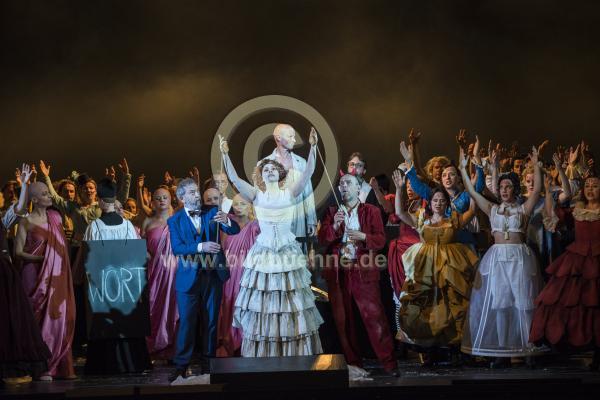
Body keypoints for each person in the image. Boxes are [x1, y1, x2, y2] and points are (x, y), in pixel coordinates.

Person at [220, 128, 324, 357]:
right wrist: (225, 154)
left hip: (287, 250)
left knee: (289, 298)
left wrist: (314, 147)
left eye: (273, 169)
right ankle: (266, 353)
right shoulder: (256, 194)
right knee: (266, 298)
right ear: (261, 175)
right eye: (265, 169)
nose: (269, 171)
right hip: (264, 251)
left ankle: (293, 351)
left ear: (280, 173)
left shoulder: (290, 193)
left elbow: (308, 172)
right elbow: (234, 179)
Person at [459, 147, 547, 367]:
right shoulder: (492, 209)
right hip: (497, 259)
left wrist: (536, 165)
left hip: (519, 258)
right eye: (501, 187)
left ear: (515, 188)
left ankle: (528, 348)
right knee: (500, 304)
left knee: (524, 303)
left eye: (508, 186)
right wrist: (463, 169)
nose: (504, 190)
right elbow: (473, 192)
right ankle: (502, 351)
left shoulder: (523, 209)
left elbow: (537, 190)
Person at [393, 170, 478, 364]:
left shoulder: (454, 220)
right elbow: (400, 213)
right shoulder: (422, 219)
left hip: (450, 268)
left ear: (446, 203)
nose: (438, 203)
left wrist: (472, 188)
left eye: (442, 200)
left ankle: (454, 349)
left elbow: (472, 211)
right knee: (427, 307)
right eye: (435, 200)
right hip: (427, 269)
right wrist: (399, 189)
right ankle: (430, 350)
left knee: (453, 305)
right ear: (430, 203)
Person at [319, 173, 399, 376]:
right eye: (341, 184)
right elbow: (322, 239)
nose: (344, 186)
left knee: (374, 316)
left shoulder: (371, 211)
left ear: (358, 189)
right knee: (343, 320)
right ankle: (354, 364)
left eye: (349, 183)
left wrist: (363, 236)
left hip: (362, 270)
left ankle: (389, 363)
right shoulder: (332, 212)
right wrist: (334, 225)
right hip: (339, 272)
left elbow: (380, 240)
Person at [167, 178, 240, 381]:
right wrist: (201, 247)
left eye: (197, 191)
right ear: (182, 198)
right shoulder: (174, 220)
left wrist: (226, 220)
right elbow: (177, 248)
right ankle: (182, 365)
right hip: (188, 278)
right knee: (187, 322)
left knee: (211, 321)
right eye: (192, 192)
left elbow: (234, 230)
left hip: (212, 275)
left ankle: (209, 363)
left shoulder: (212, 211)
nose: (197, 195)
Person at [530, 175, 600, 370]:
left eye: (595, 186)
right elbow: (552, 219)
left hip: (597, 259)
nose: (590, 189)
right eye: (587, 186)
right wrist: (547, 191)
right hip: (577, 262)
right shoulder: (577, 210)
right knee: (568, 302)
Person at [83, 178, 151, 374]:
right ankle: (132, 362)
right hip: (126, 283)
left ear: (100, 201)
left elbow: (89, 257)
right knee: (127, 320)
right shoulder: (128, 226)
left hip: (104, 282)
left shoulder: (94, 227)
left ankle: (106, 364)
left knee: (106, 320)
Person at [15, 181, 76, 380]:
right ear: (34, 199)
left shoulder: (56, 217)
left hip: (56, 275)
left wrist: (53, 261)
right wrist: (42, 259)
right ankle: (40, 367)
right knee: (36, 318)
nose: (49, 196)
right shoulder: (25, 222)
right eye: (44, 194)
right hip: (33, 274)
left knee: (58, 317)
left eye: (48, 193)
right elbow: (17, 252)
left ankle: (57, 364)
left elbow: (62, 247)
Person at [1, 164, 51, 384]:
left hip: (3, 276)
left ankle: (18, 365)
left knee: (11, 319)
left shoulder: (2, 220)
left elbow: (20, 208)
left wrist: (24, 186)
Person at [217, 194, 260, 357]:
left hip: (248, 274)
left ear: (250, 206)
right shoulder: (226, 222)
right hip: (228, 274)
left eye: (243, 203)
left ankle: (245, 345)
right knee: (228, 304)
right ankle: (228, 342)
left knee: (247, 306)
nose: (239, 207)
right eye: (236, 204)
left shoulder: (256, 226)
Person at [259, 123, 317, 239]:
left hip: (297, 214)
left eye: (294, 137)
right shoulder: (264, 163)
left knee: (296, 247)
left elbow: (308, 192)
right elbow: (260, 195)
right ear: (278, 138)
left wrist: (311, 219)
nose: (294, 140)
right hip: (275, 216)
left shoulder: (300, 162)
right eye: (290, 136)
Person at [141, 185, 178, 360]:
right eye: (158, 198)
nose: (162, 200)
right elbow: (141, 247)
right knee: (152, 307)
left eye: (165, 197)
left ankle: (172, 348)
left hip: (174, 273)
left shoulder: (178, 220)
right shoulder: (147, 222)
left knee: (174, 309)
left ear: (171, 200)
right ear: (152, 202)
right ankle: (154, 346)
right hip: (154, 272)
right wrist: (147, 254)